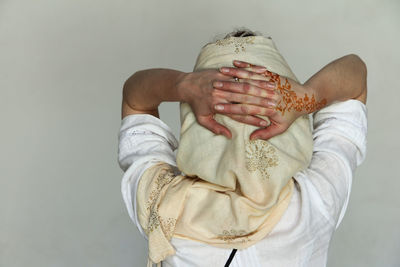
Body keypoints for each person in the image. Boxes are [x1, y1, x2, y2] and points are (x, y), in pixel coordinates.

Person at [118, 30, 367, 267]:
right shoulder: (313, 201)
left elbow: (135, 99)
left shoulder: (163, 205)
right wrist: (304, 96)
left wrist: (183, 84)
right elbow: (355, 77)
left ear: (194, 123)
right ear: (291, 124)